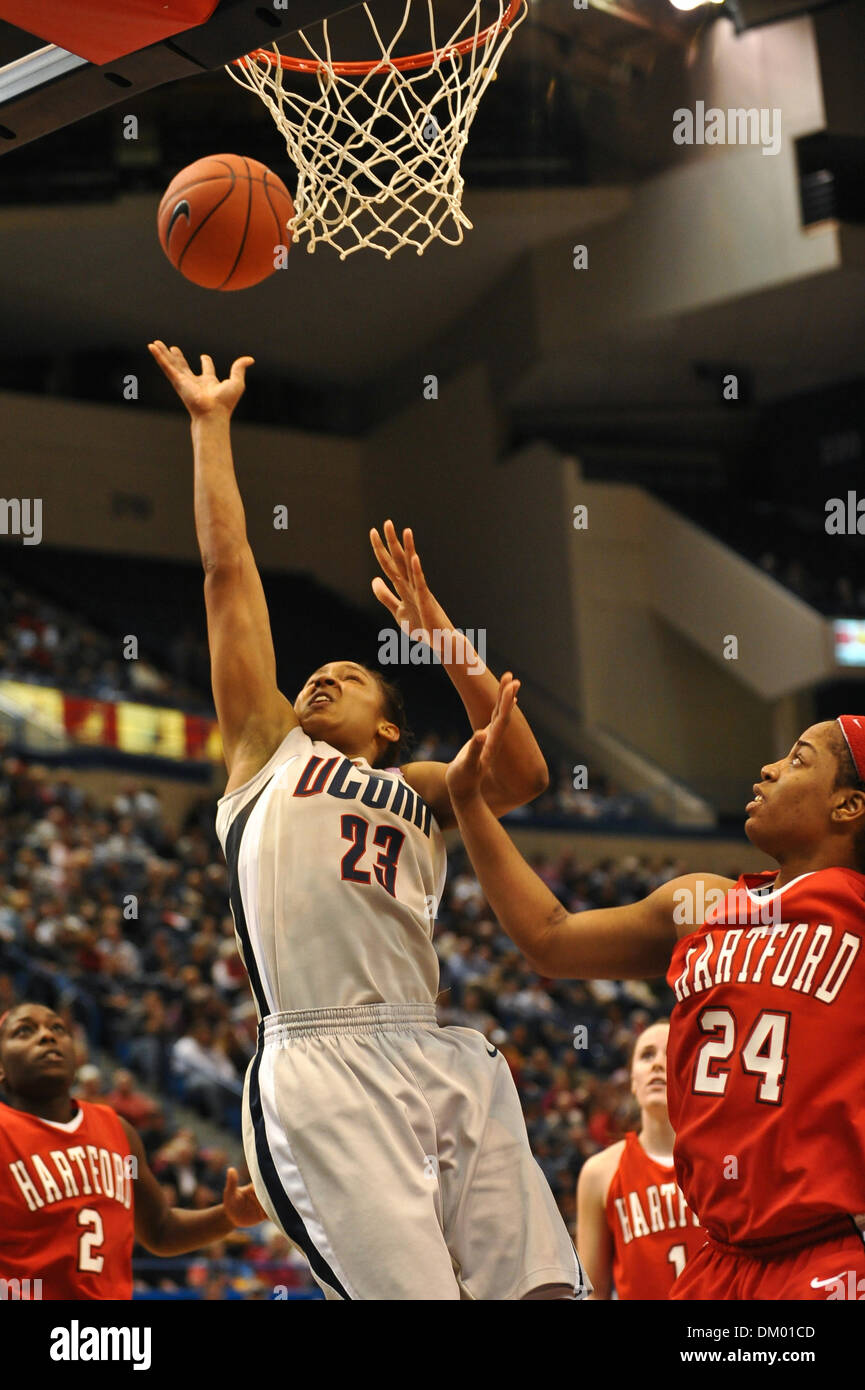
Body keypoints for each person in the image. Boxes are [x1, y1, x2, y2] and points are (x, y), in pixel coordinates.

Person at [146, 340, 587, 1302]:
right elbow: (227, 573)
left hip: (434, 1046)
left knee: (546, 1292)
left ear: (387, 725)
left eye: (346, 678)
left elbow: (521, 770)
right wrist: (211, 427)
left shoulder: (429, 787)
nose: (319, 677)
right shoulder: (268, 752)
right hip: (319, 1060)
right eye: (315, 674)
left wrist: (439, 637)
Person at [445, 682, 865, 1301]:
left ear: (848, 807)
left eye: (799, 759)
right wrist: (469, 804)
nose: (769, 769)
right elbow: (550, 939)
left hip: (827, 1251)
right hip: (716, 1260)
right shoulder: (700, 904)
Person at [0, 1002, 265, 1299]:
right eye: (25, 1030)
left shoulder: (119, 1133)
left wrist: (228, 1216)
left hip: (111, 1342)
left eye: (57, 1028)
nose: (47, 1036)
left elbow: (160, 1229)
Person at [576, 1020, 703, 1299]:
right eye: (647, 1055)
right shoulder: (599, 1173)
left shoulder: (722, 1162)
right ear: (633, 1081)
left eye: (670, 1054)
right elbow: (592, 1294)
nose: (658, 1064)